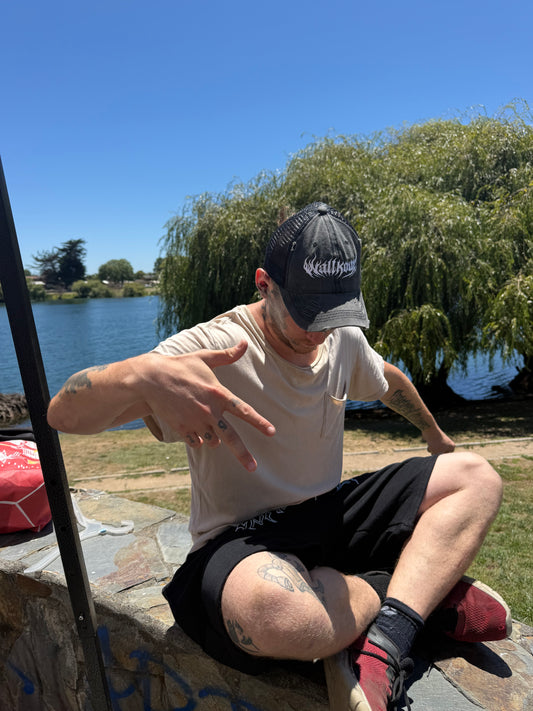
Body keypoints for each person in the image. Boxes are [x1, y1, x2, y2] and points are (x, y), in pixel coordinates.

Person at [48, 202, 510, 711]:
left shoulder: (342, 339)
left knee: (476, 477)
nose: (319, 333)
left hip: (329, 513)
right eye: (307, 313)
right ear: (264, 284)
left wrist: (433, 433)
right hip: (243, 541)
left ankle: (388, 635)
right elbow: (62, 415)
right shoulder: (213, 345)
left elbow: (388, 379)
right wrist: (139, 374)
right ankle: (400, 593)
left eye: (334, 314)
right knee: (275, 616)